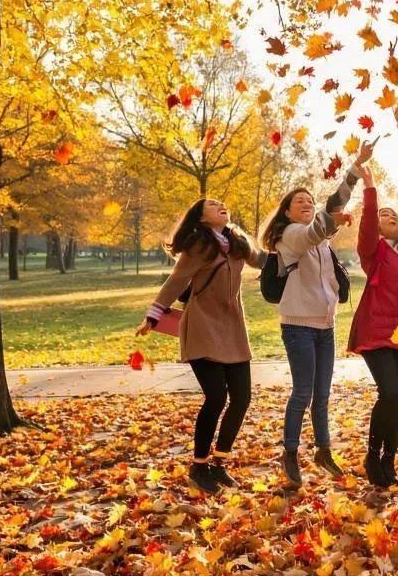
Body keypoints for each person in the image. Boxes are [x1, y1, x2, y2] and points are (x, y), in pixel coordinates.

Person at [259, 140, 373, 488]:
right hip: (299, 328)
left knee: (323, 394)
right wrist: (347, 183)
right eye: (300, 202)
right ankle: (290, 453)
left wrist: (354, 173)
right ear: (287, 212)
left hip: (325, 327)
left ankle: (322, 450)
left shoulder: (319, 241)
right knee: (303, 393)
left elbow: (328, 218)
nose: (307, 204)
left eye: (310, 200)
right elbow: (321, 223)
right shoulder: (291, 236)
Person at [136, 199, 266, 493]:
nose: (221, 205)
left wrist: (294, 248)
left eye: (222, 203)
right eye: (212, 204)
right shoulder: (199, 245)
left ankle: (219, 463)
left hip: (233, 328)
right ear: (202, 217)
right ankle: (199, 465)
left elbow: (264, 261)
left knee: (242, 397)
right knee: (217, 396)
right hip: (203, 326)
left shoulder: (237, 241)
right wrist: (153, 316)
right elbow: (176, 280)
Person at [346, 159, 398, 487]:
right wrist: (370, 190)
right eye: (383, 214)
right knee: (389, 392)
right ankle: (371, 454)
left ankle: (388, 462)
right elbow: (366, 224)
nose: (389, 216)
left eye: (395, 215)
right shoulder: (372, 249)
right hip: (374, 331)